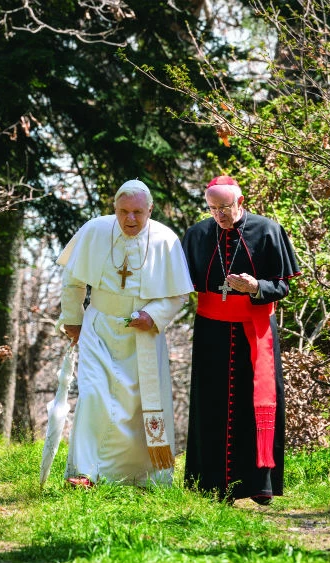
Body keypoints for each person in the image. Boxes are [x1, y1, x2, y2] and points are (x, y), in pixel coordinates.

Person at [56, 179, 194, 488]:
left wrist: (152, 315)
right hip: (99, 327)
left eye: (137, 213)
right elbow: (73, 280)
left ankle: (143, 476)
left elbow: (177, 294)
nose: (130, 220)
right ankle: (85, 472)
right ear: (114, 209)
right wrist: (72, 319)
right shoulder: (94, 231)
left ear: (150, 210)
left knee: (139, 406)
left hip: (143, 334)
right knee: (93, 396)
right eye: (123, 211)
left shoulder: (165, 240)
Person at [181, 175, 301, 505]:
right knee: (211, 405)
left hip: (255, 328)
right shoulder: (197, 234)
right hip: (211, 331)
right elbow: (180, 282)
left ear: (240, 202)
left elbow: (283, 287)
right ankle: (212, 485)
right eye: (212, 208)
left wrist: (255, 287)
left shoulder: (267, 230)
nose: (219, 215)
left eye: (225, 207)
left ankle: (259, 483)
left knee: (258, 403)